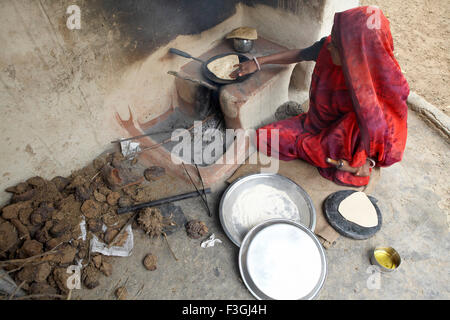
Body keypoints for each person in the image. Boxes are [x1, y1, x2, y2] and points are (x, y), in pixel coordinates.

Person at [230, 6, 409, 187]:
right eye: (333, 37)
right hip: (316, 123)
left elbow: (384, 137)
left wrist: (365, 162)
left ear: (355, 55)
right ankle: (314, 146)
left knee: (325, 149)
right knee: (264, 137)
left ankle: (322, 151)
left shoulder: (381, 90)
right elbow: (299, 54)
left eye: (337, 45)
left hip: (342, 140)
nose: (329, 45)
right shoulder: (328, 48)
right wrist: (258, 62)